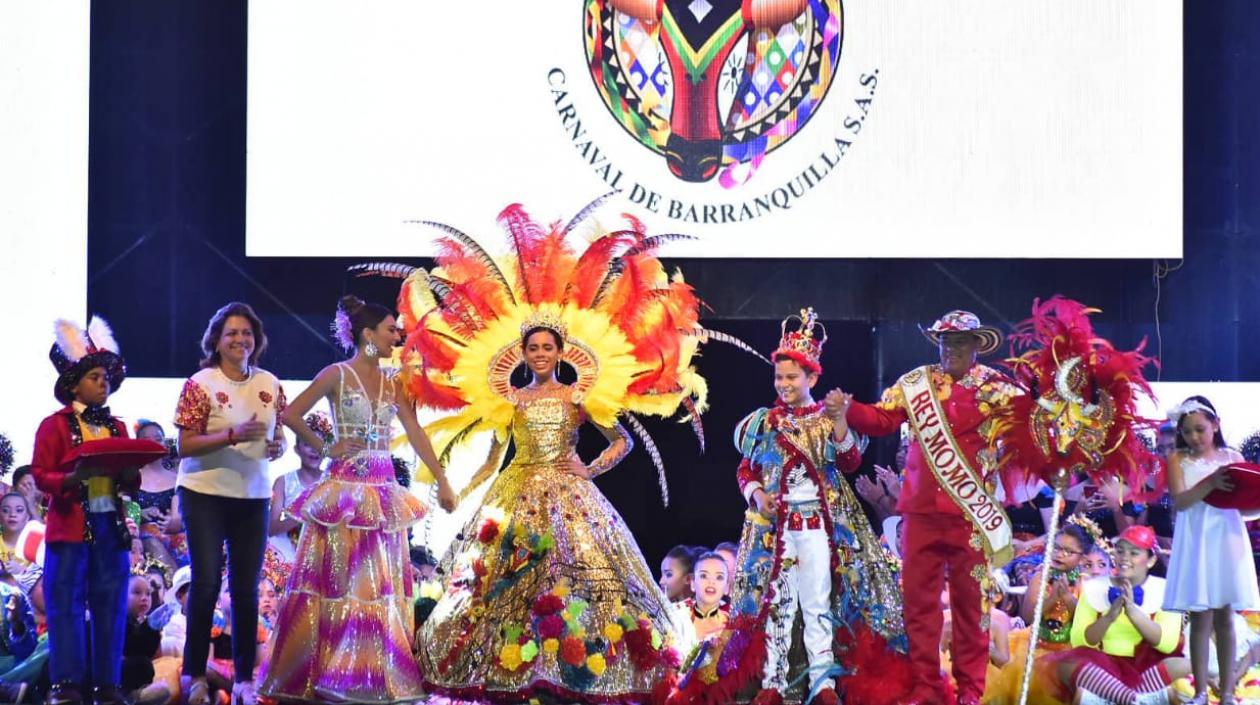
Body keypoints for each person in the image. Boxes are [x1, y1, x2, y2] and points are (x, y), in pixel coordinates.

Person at [417, 321, 678, 701]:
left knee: (583, 579)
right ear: (523, 355)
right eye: (533, 348)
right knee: (505, 583)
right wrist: (460, 492)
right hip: (516, 496)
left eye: (547, 347)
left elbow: (623, 441)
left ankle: (575, 669)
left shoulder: (578, 397)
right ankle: (514, 668)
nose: (540, 354)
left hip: (571, 500)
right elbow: (493, 459)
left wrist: (590, 469)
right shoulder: (511, 401)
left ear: (560, 352)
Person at [674, 309, 909, 705]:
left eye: (792, 377)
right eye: (779, 377)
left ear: (812, 378)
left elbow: (849, 462)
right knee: (778, 605)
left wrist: (838, 423)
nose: (784, 384)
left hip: (818, 525)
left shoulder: (826, 418)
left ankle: (824, 685)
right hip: (775, 529)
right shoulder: (764, 423)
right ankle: (774, 684)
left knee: (817, 603)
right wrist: (756, 495)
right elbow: (745, 468)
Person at [259, 296, 451, 704]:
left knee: (379, 586)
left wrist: (443, 480)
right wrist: (326, 445)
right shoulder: (337, 374)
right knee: (341, 585)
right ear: (368, 335)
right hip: (345, 493)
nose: (397, 335)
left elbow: (415, 432)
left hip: (382, 492)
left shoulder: (392, 382)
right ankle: (336, 675)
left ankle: (370, 676)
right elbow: (290, 414)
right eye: (390, 330)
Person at [842, 310, 1024, 705]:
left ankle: (970, 693)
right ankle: (927, 688)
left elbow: (1030, 431)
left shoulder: (998, 389)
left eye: (958, 341)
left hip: (970, 516)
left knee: (971, 609)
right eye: (944, 341)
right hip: (921, 514)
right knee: (919, 607)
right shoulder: (915, 383)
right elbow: (881, 419)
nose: (950, 349)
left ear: (977, 346)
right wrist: (847, 409)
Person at [173, 302, 286, 705]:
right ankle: (192, 675)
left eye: (247, 333)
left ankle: (242, 680)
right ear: (217, 342)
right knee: (205, 583)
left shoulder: (270, 383)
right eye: (231, 333)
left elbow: (280, 436)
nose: (240, 339)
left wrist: (277, 445)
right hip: (204, 492)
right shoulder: (200, 383)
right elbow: (184, 444)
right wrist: (230, 435)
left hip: (253, 495)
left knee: (246, 589)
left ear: (256, 340)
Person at [32, 316, 139, 705]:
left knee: (111, 605)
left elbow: (130, 481)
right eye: (95, 377)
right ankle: (66, 684)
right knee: (66, 605)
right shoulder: (53, 426)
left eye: (106, 378)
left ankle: (107, 684)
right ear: (74, 384)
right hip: (70, 526)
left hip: (109, 525)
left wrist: (129, 475)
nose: (103, 383)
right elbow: (41, 474)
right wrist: (73, 479)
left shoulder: (120, 427)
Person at [1163, 396, 1260, 704]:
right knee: (1200, 617)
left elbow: (1241, 508)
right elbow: (1181, 501)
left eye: (1200, 429)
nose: (1194, 437)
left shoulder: (1232, 455)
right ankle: (1202, 690)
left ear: (1216, 426)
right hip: (1196, 542)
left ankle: (1229, 690)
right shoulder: (1178, 459)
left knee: (1225, 616)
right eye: (1187, 431)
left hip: (1226, 541)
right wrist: (1212, 482)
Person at [1044, 526, 1188, 705]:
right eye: (1120, 551)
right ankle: (1137, 700)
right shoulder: (1094, 587)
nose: (1124, 558)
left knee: (1184, 665)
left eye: (1134, 553)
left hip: (1148, 667)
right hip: (1102, 668)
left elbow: (1167, 644)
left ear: (1151, 560)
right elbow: (1080, 640)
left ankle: (1110, 699)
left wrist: (1133, 612)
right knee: (1066, 665)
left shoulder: (1166, 590)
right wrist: (1109, 617)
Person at [265, 412, 330, 565]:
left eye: (318, 444)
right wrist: (302, 514)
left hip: (324, 554)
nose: (314, 450)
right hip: (289, 552)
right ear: (297, 449)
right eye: (308, 444)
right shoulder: (283, 482)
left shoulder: (332, 483)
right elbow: (272, 528)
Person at [134, 421, 186, 571]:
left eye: (158, 440)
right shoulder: (130, 480)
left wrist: (176, 521)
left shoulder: (178, 478)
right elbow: (124, 515)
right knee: (150, 541)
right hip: (146, 544)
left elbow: (183, 514)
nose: (153, 445)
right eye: (146, 441)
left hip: (178, 540)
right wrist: (141, 514)